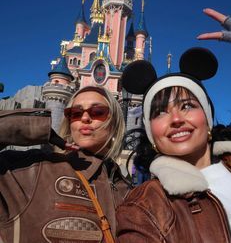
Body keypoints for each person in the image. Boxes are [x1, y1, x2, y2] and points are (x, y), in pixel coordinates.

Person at [116, 47, 231, 242]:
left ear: (208, 119)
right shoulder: (145, 207)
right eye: (160, 112)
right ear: (151, 134)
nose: (176, 119)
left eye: (187, 106)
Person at [0, 85, 133, 243]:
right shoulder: (35, 171)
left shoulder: (128, 190)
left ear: (114, 122)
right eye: (76, 113)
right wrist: (39, 129)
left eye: (97, 112)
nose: (85, 118)